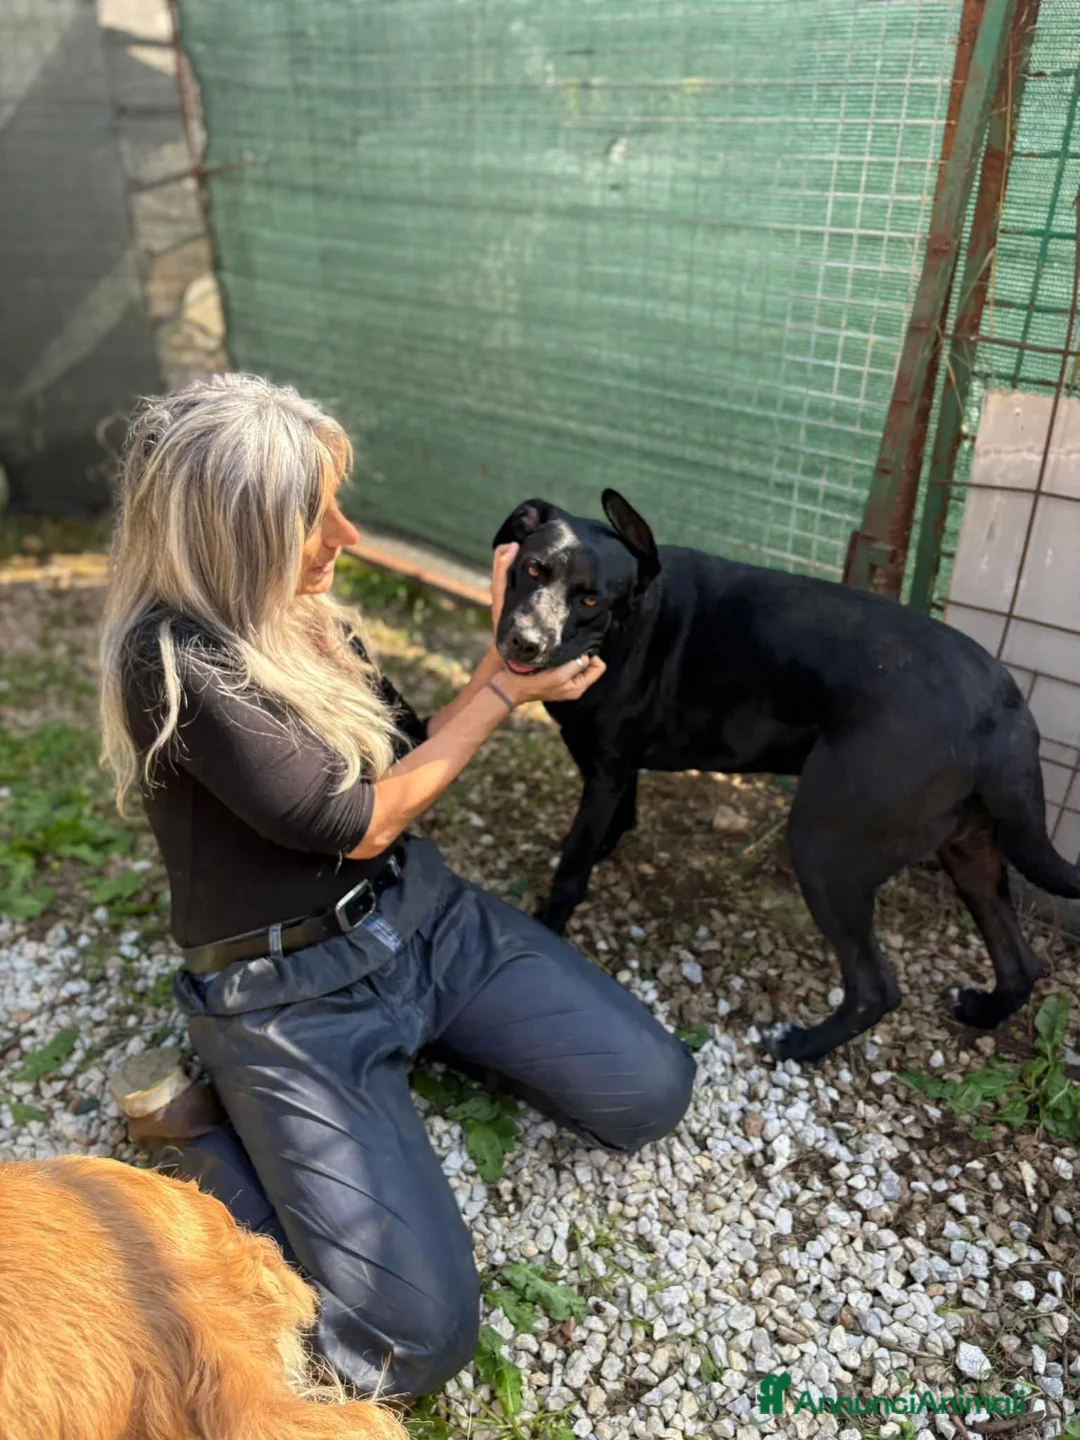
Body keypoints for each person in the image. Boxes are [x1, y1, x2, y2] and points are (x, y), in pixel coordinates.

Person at [97, 374, 696, 1401]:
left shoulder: (302, 613)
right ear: (227, 535)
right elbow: (357, 818)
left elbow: (409, 749)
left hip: (421, 921)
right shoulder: (176, 660)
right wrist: (505, 691)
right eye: (313, 514)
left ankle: (407, 1068)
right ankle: (197, 1126)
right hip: (289, 999)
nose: (350, 533)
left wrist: (504, 640)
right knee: (404, 1349)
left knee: (652, 1092)